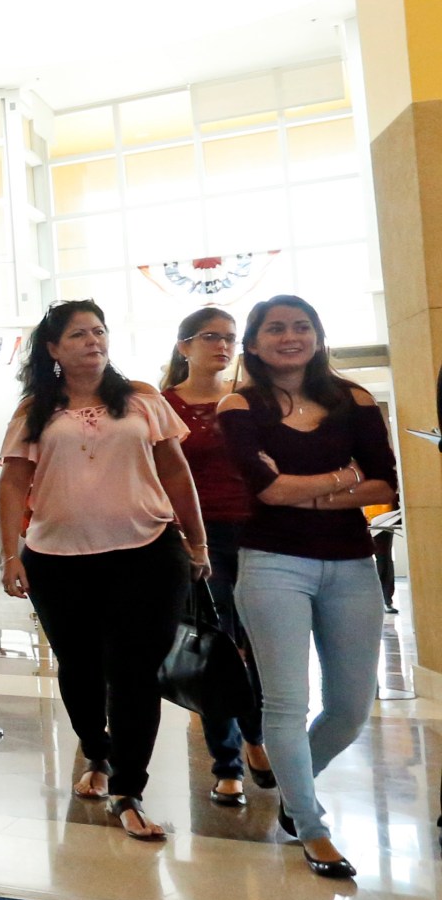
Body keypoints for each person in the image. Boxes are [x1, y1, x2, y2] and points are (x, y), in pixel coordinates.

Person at [0, 300, 210, 843]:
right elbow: (12, 482)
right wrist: (9, 553)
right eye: (77, 335)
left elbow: (175, 469)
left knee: (136, 671)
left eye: (98, 331)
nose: (92, 341)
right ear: (53, 350)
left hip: (147, 553)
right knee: (81, 666)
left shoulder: (142, 399)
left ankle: (129, 791)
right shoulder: (34, 410)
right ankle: (96, 750)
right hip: (57, 560)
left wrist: (197, 539)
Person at [217, 294, 398, 880]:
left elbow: (385, 488)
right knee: (287, 703)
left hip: (351, 563)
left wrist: (312, 487)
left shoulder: (355, 399)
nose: (289, 337)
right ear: (254, 343)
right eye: (275, 329)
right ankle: (311, 825)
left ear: (318, 336)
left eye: (301, 327)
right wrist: (344, 477)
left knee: (349, 708)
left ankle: (295, 790)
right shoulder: (240, 405)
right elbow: (266, 491)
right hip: (272, 563)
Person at [159, 306, 273, 807]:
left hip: (257, 532)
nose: (222, 346)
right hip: (195, 538)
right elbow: (156, 475)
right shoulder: (162, 405)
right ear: (185, 346)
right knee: (218, 651)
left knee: (260, 648)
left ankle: (256, 736)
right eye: (211, 336)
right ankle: (227, 761)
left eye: (230, 338)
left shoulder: (249, 402)